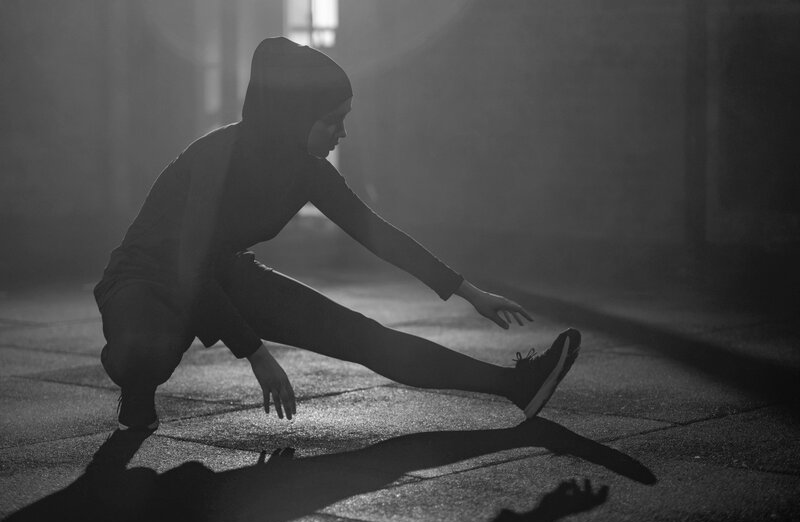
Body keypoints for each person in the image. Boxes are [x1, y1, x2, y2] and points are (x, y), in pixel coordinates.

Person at [94, 37, 581, 431]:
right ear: (294, 114)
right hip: (147, 275)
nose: (341, 134)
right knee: (145, 353)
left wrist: (468, 291)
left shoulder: (307, 170)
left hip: (219, 275)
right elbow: (188, 269)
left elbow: (377, 234)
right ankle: (137, 388)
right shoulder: (213, 158)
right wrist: (257, 354)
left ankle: (518, 386)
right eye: (332, 121)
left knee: (363, 337)